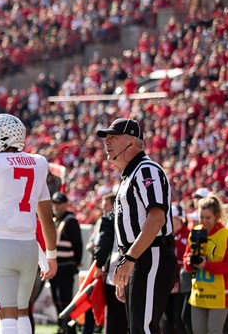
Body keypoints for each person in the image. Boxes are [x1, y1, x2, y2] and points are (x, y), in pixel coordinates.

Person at [0, 113, 58, 334]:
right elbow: (47, 218)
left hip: (1, 245)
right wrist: (51, 256)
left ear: (4, 137)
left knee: (6, 316)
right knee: (22, 311)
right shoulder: (38, 163)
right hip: (29, 248)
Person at [97, 118, 177, 334]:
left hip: (151, 254)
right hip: (140, 256)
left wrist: (130, 259)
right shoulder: (130, 175)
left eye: (113, 137)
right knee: (137, 328)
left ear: (132, 142)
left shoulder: (146, 170)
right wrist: (127, 263)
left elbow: (156, 218)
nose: (107, 142)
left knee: (143, 329)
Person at [184, 194, 228, 334]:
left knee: (214, 331)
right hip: (198, 293)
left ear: (216, 216)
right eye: (201, 217)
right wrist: (190, 261)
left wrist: (207, 266)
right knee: (198, 330)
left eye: (208, 218)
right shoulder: (195, 232)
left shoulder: (225, 235)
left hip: (219, 294)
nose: (204, 221)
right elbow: (186, 260)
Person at [91, 193, 128, 334]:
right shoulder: (139, 216)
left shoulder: (110, 218)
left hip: (115, 273)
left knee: (114, 318)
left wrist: (99, 264)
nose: (103, 208)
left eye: (106, 205)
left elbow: (103, 245)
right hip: (138, 272)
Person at [51, 192, 83, 334]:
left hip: (65, 267)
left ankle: (70, 329)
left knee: (65, 300)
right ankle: (63, 327)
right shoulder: (55, 220)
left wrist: (75, 263)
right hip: (55, 268)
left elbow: (78, 244)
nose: (56, 206)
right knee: (57, 300)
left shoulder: (70, 221)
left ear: (65, 204)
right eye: (55, 203)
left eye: (59, 203)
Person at [163, 204, 190, 334]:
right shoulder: (166, 234)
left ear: (179, 218)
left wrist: (178, 280)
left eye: (171, 217)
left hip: (182, 283)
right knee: (167, 317)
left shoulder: (188, 235)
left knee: (179, 318)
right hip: (166, 282)